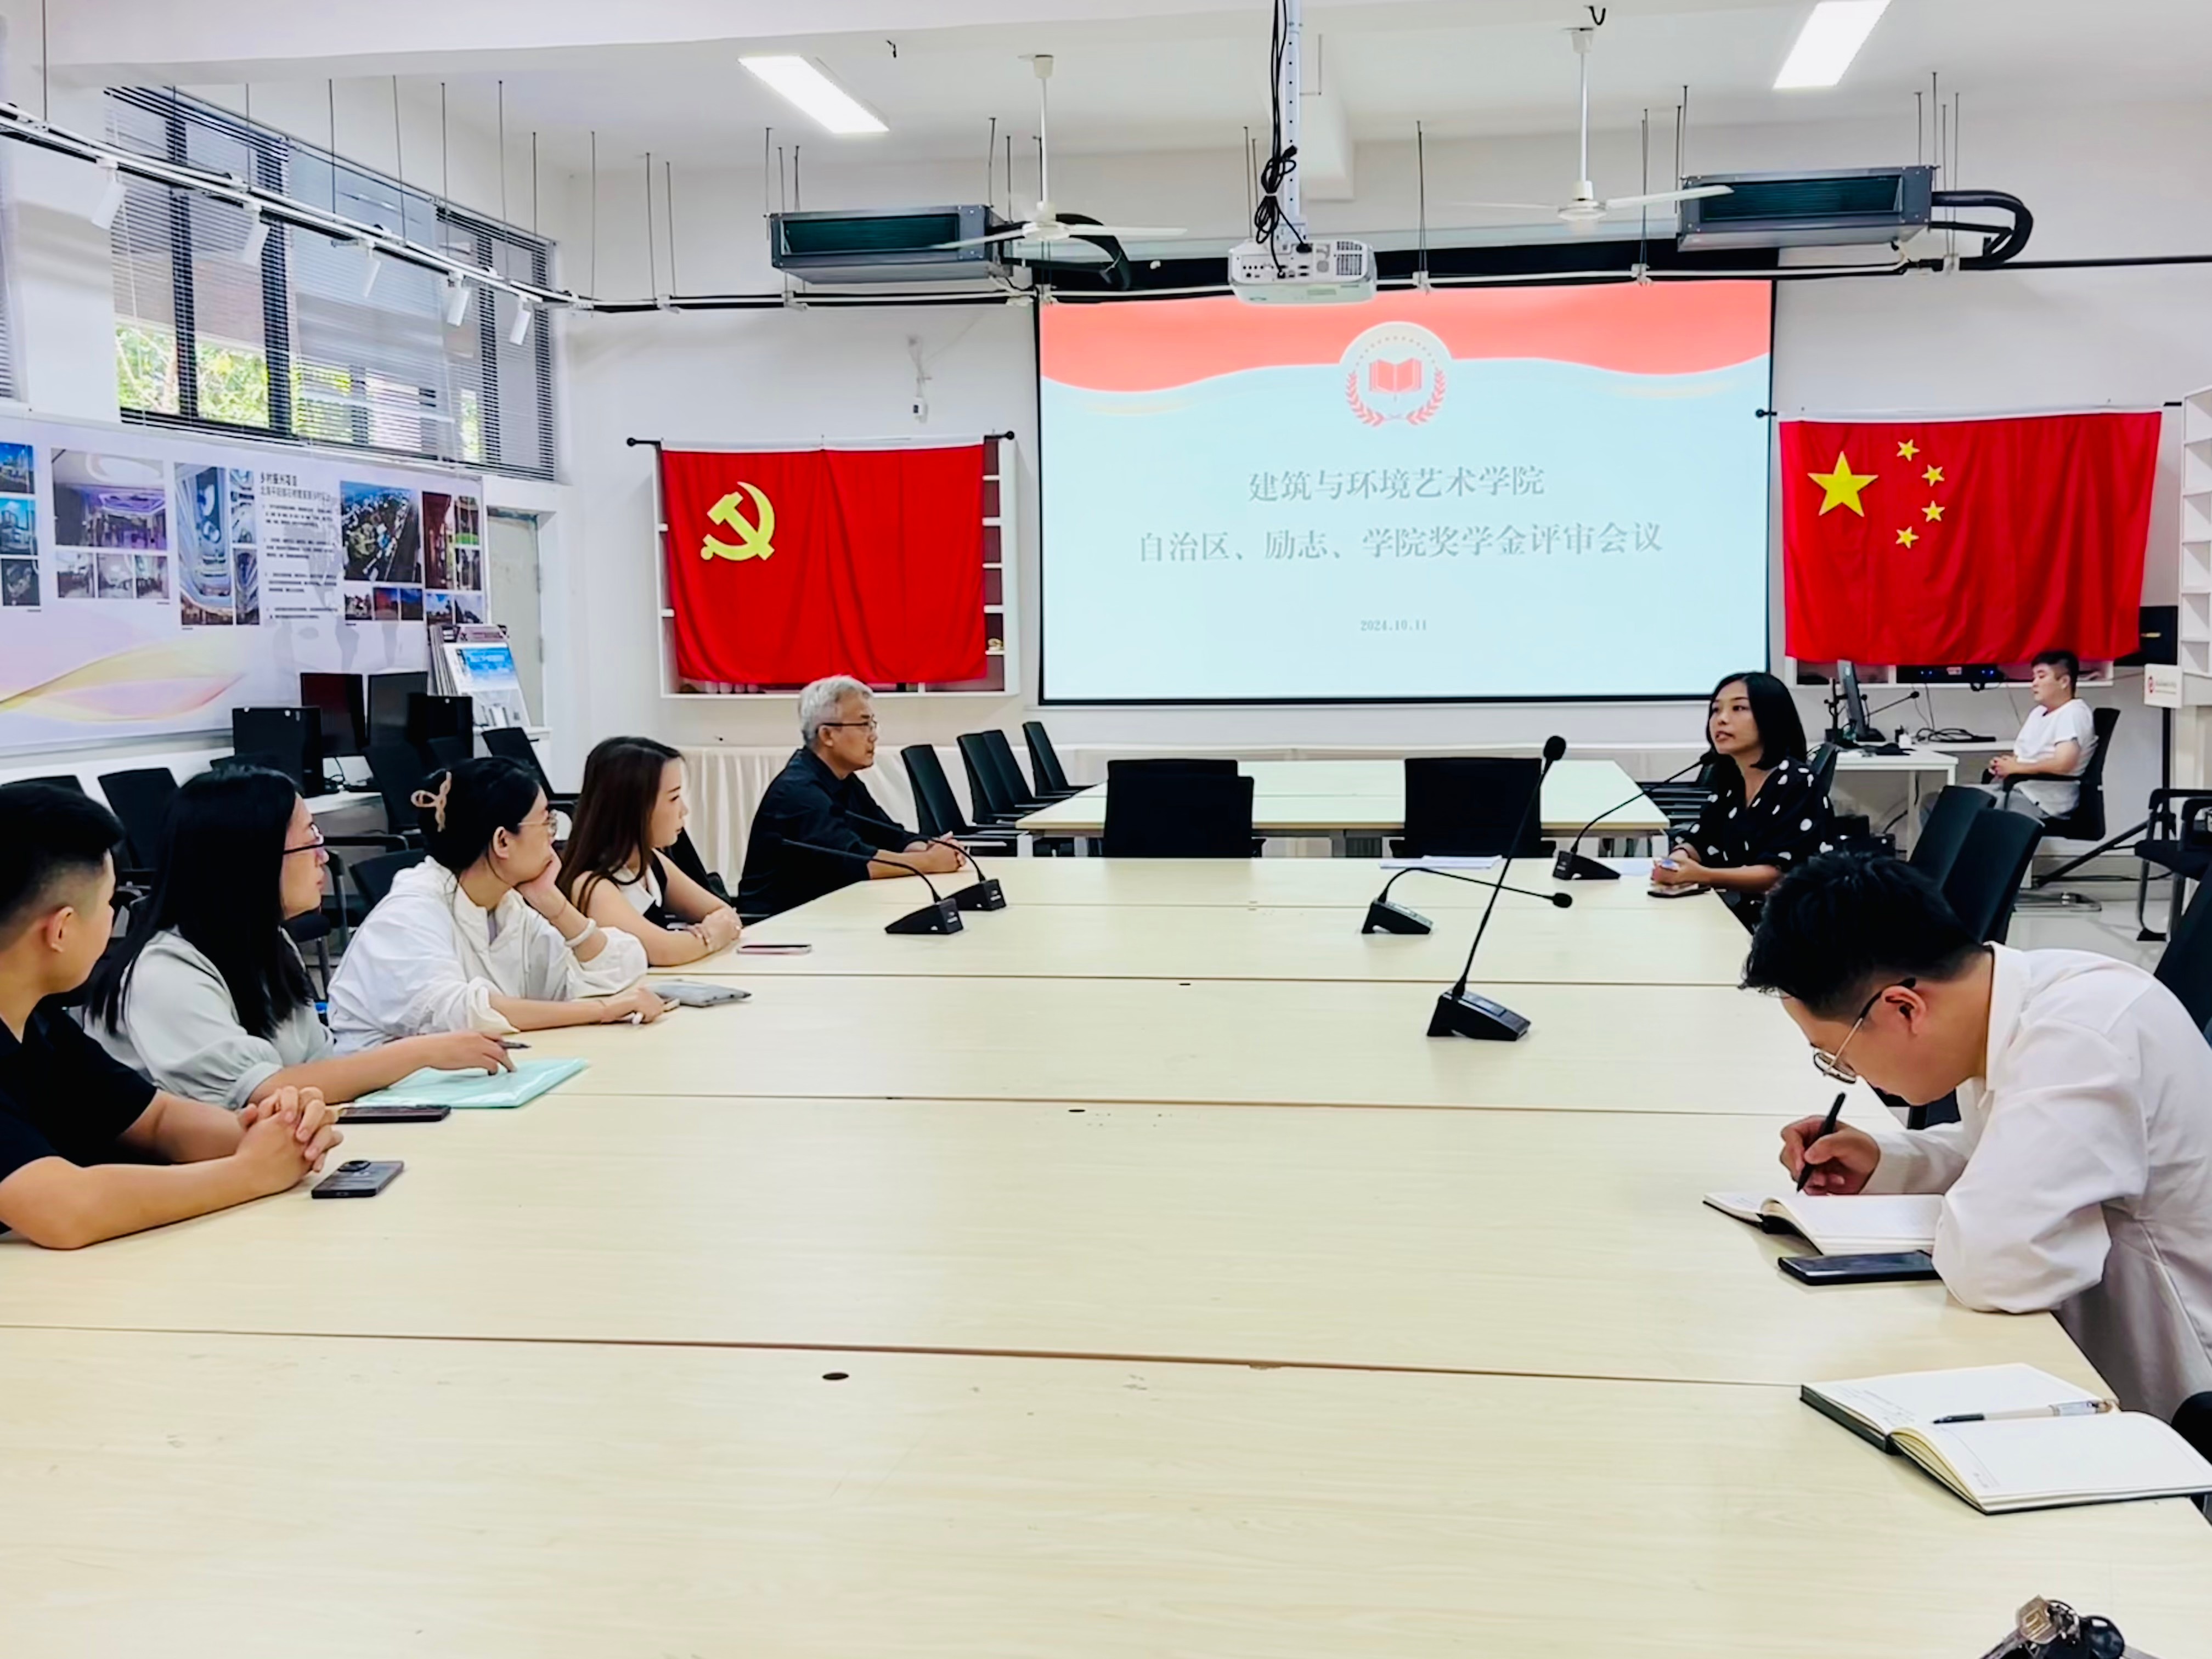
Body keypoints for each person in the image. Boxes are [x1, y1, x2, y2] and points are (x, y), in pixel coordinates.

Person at [1746, 851, 2212, 1422]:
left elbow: (1999, 1267)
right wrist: (1887, 1161)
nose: (1848, 1073)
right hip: (2092, 1351)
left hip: (2175, 1396)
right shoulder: (2016, 994)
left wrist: (1965, 1218)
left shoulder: (2080, 1037)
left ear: (1904, 1009)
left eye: (1837, 1055)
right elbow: (2006, 1148)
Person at [0, 782, 341, 1249]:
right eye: (109, 903)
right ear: (61, 930)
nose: (113, 919)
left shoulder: (38, 1022)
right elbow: (63, 1209)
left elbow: (156, 1120)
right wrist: (250, 1172)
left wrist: (278, 1133)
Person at [87, 768, 511, 1107]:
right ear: (253, 860)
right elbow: (263, 1092)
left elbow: (317, 1068)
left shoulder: (268, 942)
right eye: (311, 842)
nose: (323, 858)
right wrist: (420, 1053)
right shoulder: (165, 972)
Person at [326, 757, 665, 1051]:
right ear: (503, 841)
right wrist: (601, 1012)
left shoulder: (506, 905)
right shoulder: (409, 912)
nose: (553, 836)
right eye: (546, 822)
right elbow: (464, 1015)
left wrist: (555, 905)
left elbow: (619, 970)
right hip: (383, 1096)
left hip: (465, 1082)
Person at [736, 675, 963, 919]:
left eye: (873, 725)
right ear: (827, 735)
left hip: (827, 912)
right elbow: (856, 862)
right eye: (864, 725)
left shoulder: (843, 779)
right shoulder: (798, 792)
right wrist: (930, 862)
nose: (873, 736)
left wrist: (928, 847)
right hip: (779, 924)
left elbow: (890, 835)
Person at [1649, 670, 1833, 918]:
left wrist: (1702, 875)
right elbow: (1702, 839)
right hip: (1746, 914)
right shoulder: (1733, 781)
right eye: (1716, 710)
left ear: (1772, 717)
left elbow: (1779, 874)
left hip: (1795, 922)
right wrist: (1677, 860)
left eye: (1739, 708)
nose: (1722, 720)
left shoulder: (1797, 782)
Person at [560, 736, 742, 966]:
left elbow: (723, 912)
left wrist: (705, 935)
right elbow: (664, 951)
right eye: (673, 798)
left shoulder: (652, 861)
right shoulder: (594, 886)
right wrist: (711, 936)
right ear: (634, 809)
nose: (684, 810)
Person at [1984, 648, 2097, 820]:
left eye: (2042, 677)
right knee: (1950, 799)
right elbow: (2025, 755)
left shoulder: (2073, 713)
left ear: (2064, 681)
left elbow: (2064, 763)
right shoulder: (2038, 713)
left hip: (2043, 800)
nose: (2034, 683)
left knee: (1966, 812)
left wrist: (2017, 768)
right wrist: (2006, 765)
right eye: (2034, 677)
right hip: (2018, 788)